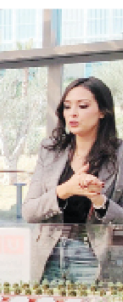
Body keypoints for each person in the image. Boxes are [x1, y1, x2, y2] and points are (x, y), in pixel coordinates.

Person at [23, 76, 123, 284]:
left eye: (83, 106)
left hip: (96, 258)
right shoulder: (50, 150)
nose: (73, 113)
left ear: (103, 111)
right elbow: (29, 212)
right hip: (49, 256)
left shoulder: (120, 154)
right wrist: (64, 191)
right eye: (67, 107)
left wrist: (99, 200)